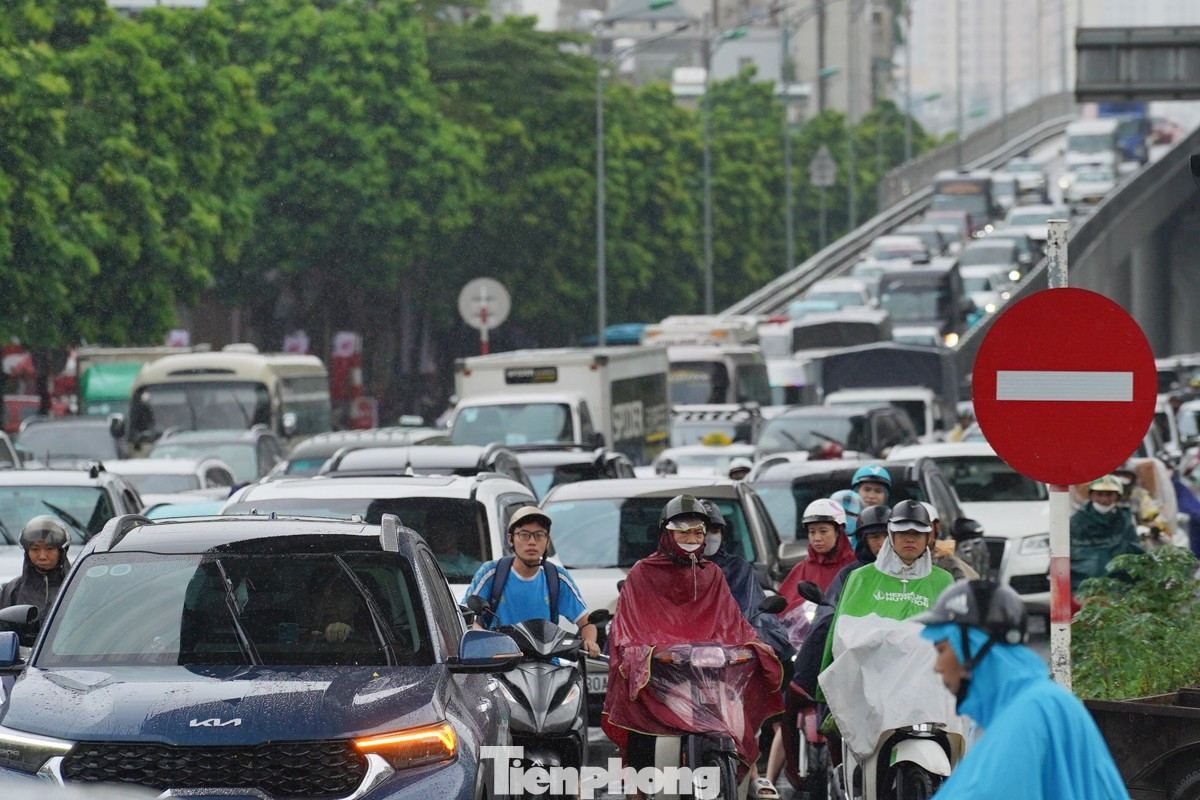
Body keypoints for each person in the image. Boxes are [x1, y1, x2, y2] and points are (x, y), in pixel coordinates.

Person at [602, 495, 783, 781]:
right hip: (660, 678)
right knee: (641, 728)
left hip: (707, 677)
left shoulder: (713, 574)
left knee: (739, 725)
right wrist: (643, 653)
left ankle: (752, 780)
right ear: (666, 533)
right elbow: (630, 628)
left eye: (697, 531)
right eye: (683, 530)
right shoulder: (641, 573)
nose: (692, 537)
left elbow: (733, 624)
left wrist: (753, 647)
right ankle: (637, 791)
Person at [914, 581, 1130, 799]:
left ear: (973, 646)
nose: (937, 666)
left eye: (941, 650)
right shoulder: (1027, 704)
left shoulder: (1028, 713)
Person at [700, 499, 793, 799]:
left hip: (727, 663)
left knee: (738, 714)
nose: (708, 535)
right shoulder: (666, 568)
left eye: (715, 529)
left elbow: (750, 615)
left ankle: (753, 774)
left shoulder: (739, 569)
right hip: (680, 663)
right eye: (703, 529)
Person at [819, 500, 955, 677]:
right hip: (871, 681)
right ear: (891, 535)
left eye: (917, 533)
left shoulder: (943, 580)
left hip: (925, 684)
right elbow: (843, 636)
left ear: (928, 537)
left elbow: (954, 639)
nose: (910, 539)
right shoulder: (861, 577)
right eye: (903, 532)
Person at [463, 507, 600, 657]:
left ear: (547, 541)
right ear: (510, 539)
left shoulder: (557, 577)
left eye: (539, 535)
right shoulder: (492, 572)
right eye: (524, 535)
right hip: (500, 665)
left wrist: (589, 642)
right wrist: (485, 640)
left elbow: (586, 623)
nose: (532, 542)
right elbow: (465, 616)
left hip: (547, 665)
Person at [778, 498, 858, 619]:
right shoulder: (802, 568)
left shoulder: (855, 567)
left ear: (839, 531)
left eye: (823, 531)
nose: (817, 538)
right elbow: (782, 612)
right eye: (812, 532)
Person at [0, 516, 72, 644]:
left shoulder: (77, 587)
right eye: (35, 549)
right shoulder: (11, 590)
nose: (42, 556)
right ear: (27, 552)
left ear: (61, 551)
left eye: (50, 549)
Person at [1070, 475, 1142, 593]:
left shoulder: (1124, 518)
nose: (1104, 499)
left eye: (1109, 494)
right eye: (1100, 494)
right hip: (1087, 574)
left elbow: (1133, 544)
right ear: (1091, 495)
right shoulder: (1078, 519)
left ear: (1117, 496)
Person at [920, 501, 979, 581]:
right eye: (904, 531)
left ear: (937, 527)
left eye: (924, 526)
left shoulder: (947, 562)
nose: (914, 536)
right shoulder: (898, 562)